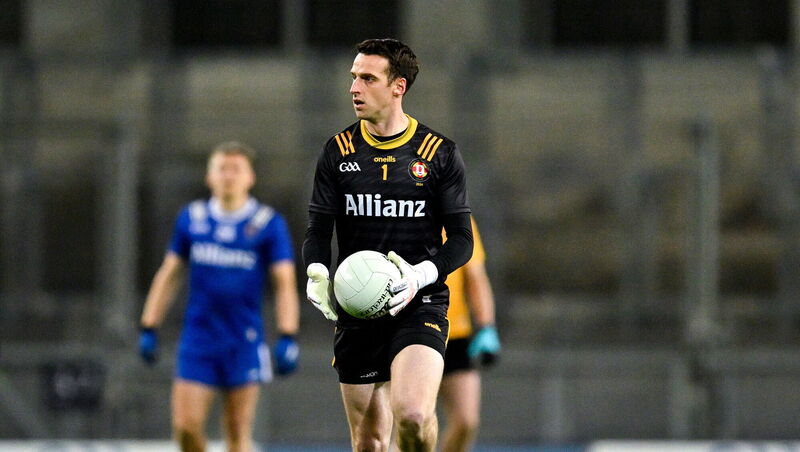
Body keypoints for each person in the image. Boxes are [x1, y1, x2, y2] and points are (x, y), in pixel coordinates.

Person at [303, 38, 474, 452]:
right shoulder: (337, 152)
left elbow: (463, 241)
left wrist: (420, 275)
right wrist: (316, 272)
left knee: (413, 416)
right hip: (357, 309)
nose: (354, 88)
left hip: (420, 302)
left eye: (367, 78)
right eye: (353, 77)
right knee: (370, 443)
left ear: (398, 86)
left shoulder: (438, 153)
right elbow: (318, 229)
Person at [138, 141, 300, 452]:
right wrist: (149, 325)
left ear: (250, 177)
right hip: (199, 340)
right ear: (209, 177)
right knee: (186, 429)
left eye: (236, 169)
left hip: (244, 340)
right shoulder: (192, 219)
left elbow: (283, 282)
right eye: (221, 168)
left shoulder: (267, 224)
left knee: (237, 433)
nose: (229, 175)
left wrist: (287, 334)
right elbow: (170, 274)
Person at [437, 217, 501, 452]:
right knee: (411, 419)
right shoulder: (397, 211)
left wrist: (486, 327)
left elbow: (475, 276)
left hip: (454, 333)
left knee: (466, 421)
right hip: (409, 332)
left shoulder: (459, 219)